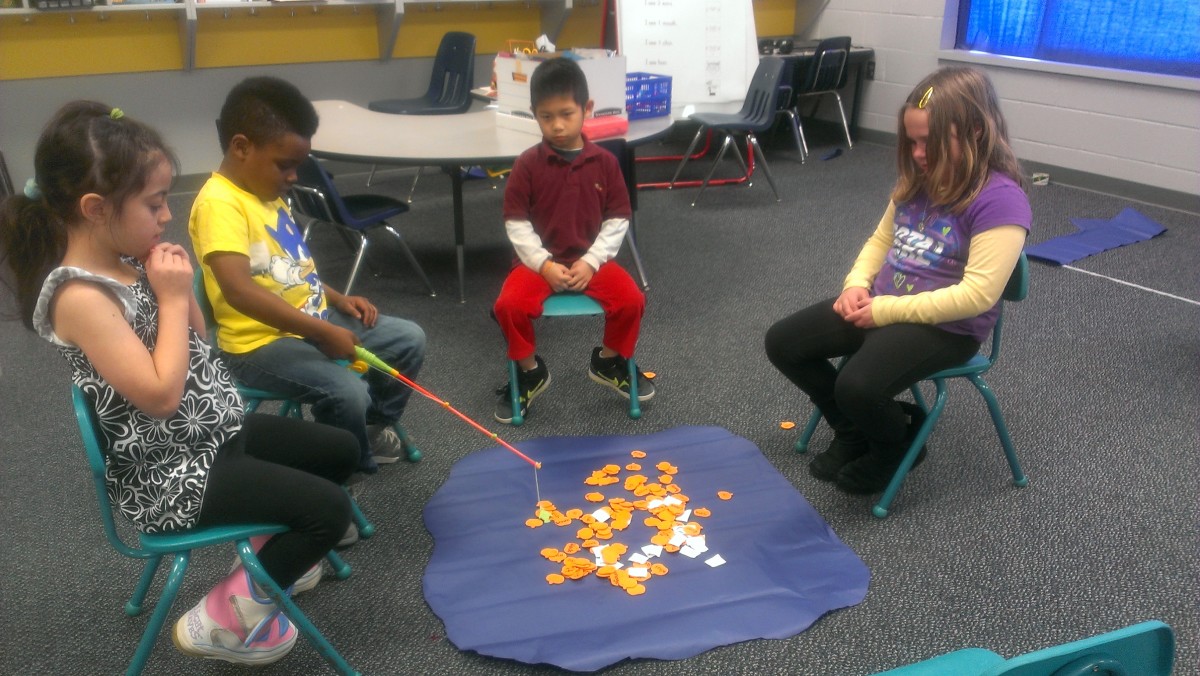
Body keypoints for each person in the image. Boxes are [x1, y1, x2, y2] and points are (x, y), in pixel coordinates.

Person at [0, 101, 358, 665]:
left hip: (211, 435)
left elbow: (198, 339)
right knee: (330, 511)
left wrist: (176, 287)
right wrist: (166, 295)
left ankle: (270, 557)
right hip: (169, 476)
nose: (167, 214)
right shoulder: (80, 297)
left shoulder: (126, 256)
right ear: (95, 208)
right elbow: (163, 395)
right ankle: (222, 620)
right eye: (154, 202)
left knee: (340, 450)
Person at [764, 66, 1031, 495]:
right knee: (784, 343)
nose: (918, 152)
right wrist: (855, 284)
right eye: (912, 140)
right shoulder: (919, 181)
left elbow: (977, 296)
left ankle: (894, 447)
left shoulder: (1001, 200)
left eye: (930, 141)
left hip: (947, 326)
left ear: (977, 132)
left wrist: (883, 309)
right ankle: (852, 431)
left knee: (858, 386)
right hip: (882, 305)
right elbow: (880, 240)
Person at [188, 76, 425, 474]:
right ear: (241, 147)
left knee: (408, 340)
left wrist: (335, 299)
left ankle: (368, 430)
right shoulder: (219, 204)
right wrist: (322, 332)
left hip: (312, 322)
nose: (294, 177)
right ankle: (335, 475)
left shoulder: (268, 193)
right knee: (348, 390)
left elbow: (292, 271)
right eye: (286, 165)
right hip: (256, 346)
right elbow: (240, 292)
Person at [492, 57, 655, 424]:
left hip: (589, 261)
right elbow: (516, 224)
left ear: (587, 109)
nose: (558, 125)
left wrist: (591, 261)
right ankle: (531, 370)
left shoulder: (605, 163)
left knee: (631, 300)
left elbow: (617, 220)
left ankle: (609, 362)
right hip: (538, 265)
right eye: (546, 117)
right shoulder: (526, 164)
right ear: (534, 115)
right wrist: (544, 265)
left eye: (566, 113)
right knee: (508, 306)